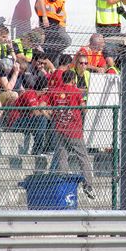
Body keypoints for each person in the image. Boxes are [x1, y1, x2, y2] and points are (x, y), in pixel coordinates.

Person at [48, 69, 95, 199]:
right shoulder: (76, 92)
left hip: (59, 129)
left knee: (62, 157)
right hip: (74, 130)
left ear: (62, 79)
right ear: (73, 80)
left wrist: (51, 116)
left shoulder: (55, 91)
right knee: (83, 157)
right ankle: (88, 185)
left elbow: (42, 105)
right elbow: (83, 108)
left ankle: (63, 185)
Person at [36, 0, 71, 64]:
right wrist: (45, 16)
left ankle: (51, 66)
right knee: (55, 44)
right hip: (49, 18)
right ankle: (46, 61)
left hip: (53, 18)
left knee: (53, 46)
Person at [7, 74, 50, 156]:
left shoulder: (42, 97)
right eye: (47, 90)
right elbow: (36, 112)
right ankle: (37, 150)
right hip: (16, 122)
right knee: (42, 119)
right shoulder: (30, 93)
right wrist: (43, 110)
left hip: (29, 121)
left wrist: (45, 112)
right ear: (44, 89)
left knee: (50, 120)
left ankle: (49, 149)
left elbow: (49, 113)